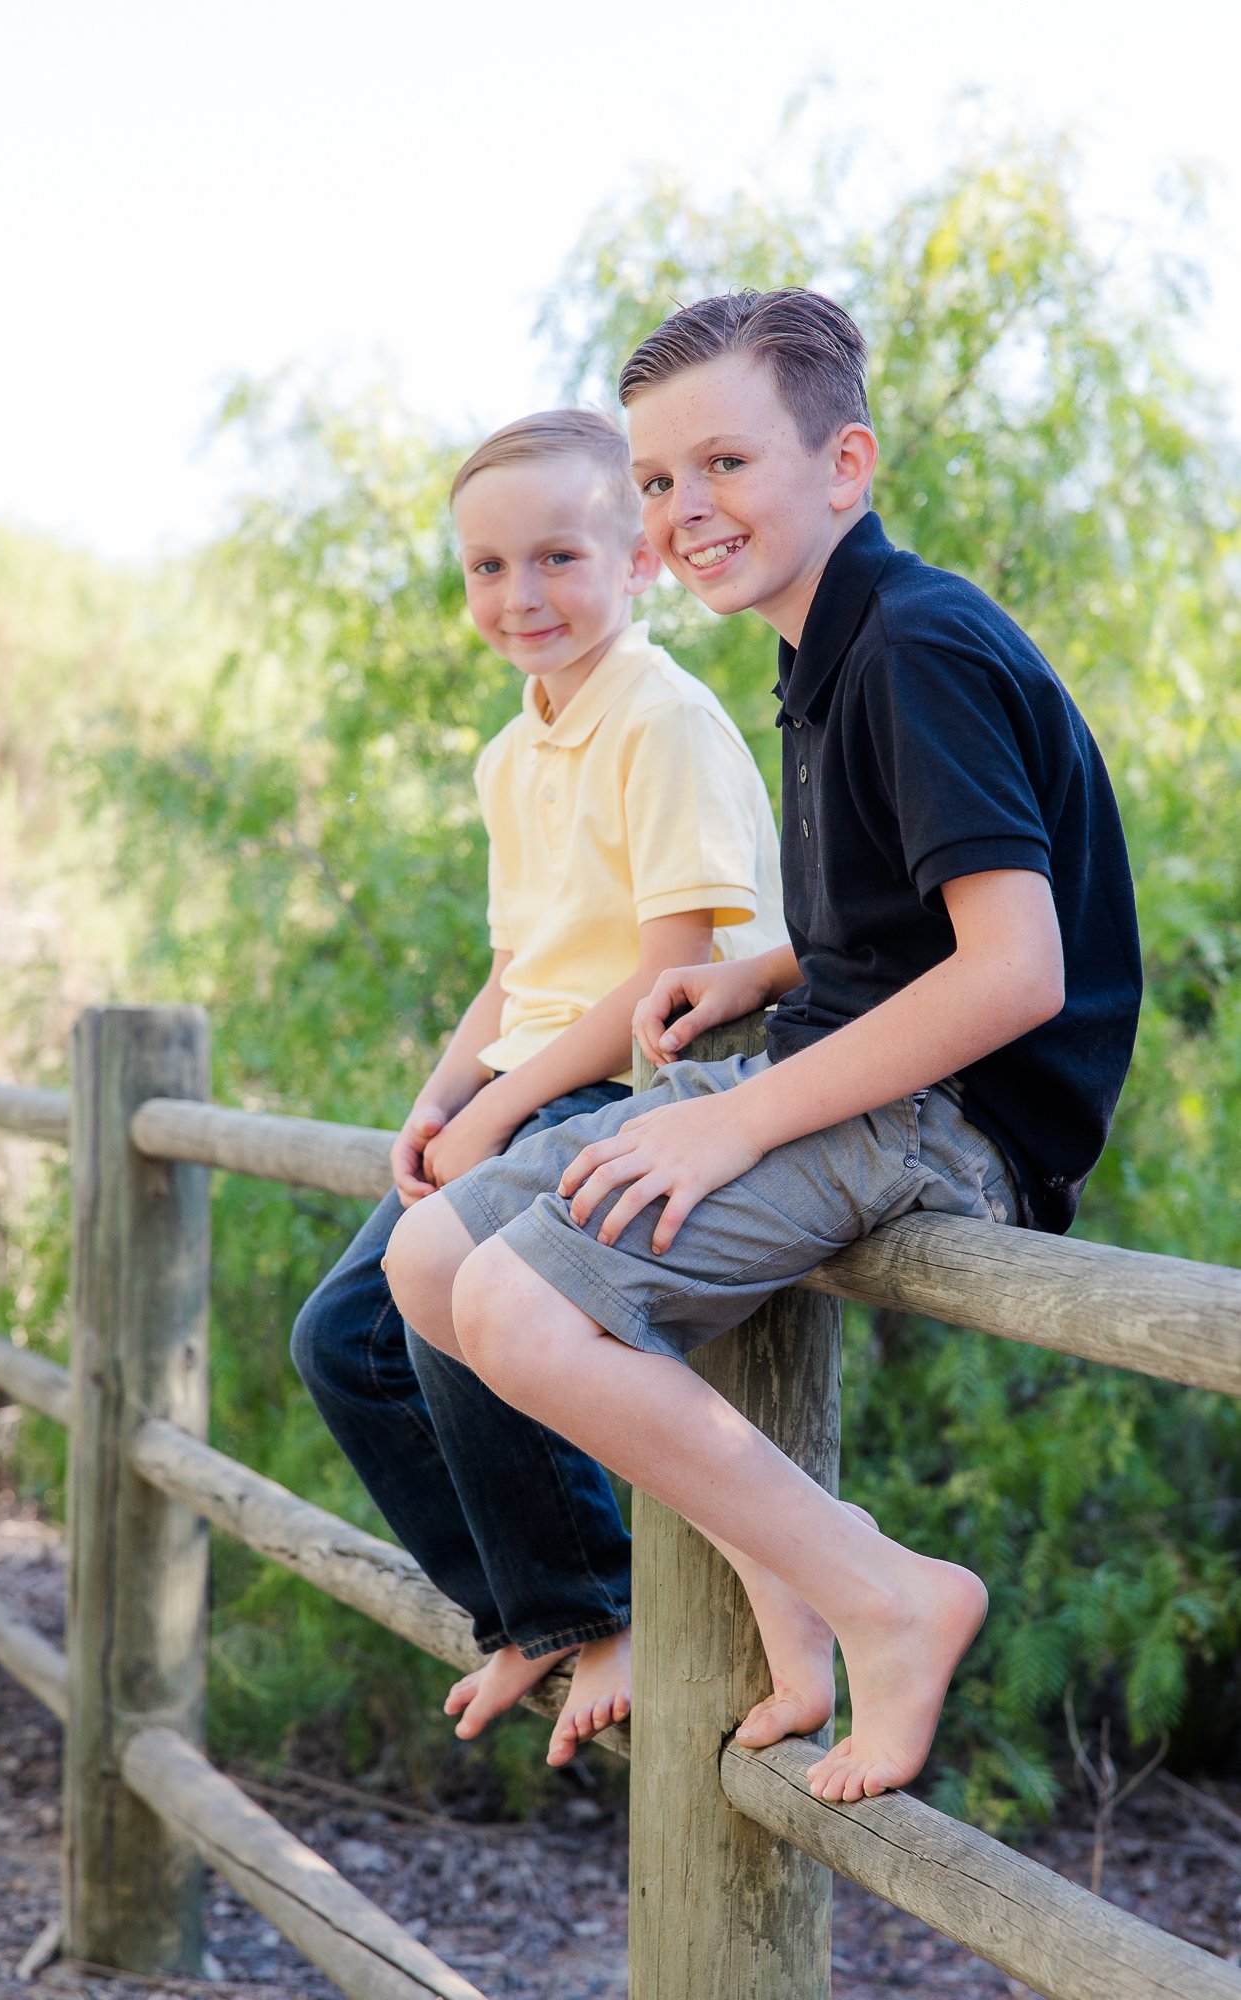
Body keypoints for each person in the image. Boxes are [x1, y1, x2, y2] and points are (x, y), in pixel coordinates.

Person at [384, 291, 1142, 1802]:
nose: (683, 510)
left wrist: (726, 1122)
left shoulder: (917, 646)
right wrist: (760, 972)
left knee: (528, 1316)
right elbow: (909, 905)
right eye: (658, 481)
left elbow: (1011, 970)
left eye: (722, 464)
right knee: (427, 1267)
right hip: (848, 1055)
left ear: (843, 464)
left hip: (952, 1110)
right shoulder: (830, 643)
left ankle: (887, 1594)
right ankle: (785, 1594)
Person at [292, 407, 787, 1767]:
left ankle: (591, 1608)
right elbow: (522, 965)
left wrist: (502, 1114)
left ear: (638, 561)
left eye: (559, 557)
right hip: (536, 1073)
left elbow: (662, 984)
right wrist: (442, 1097)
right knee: (339, 1345)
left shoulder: (663, 719)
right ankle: (528, 1613)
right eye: (488, 568)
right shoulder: (512, 749)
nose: (522, 596)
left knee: (449, 1282)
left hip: (649, 1078)